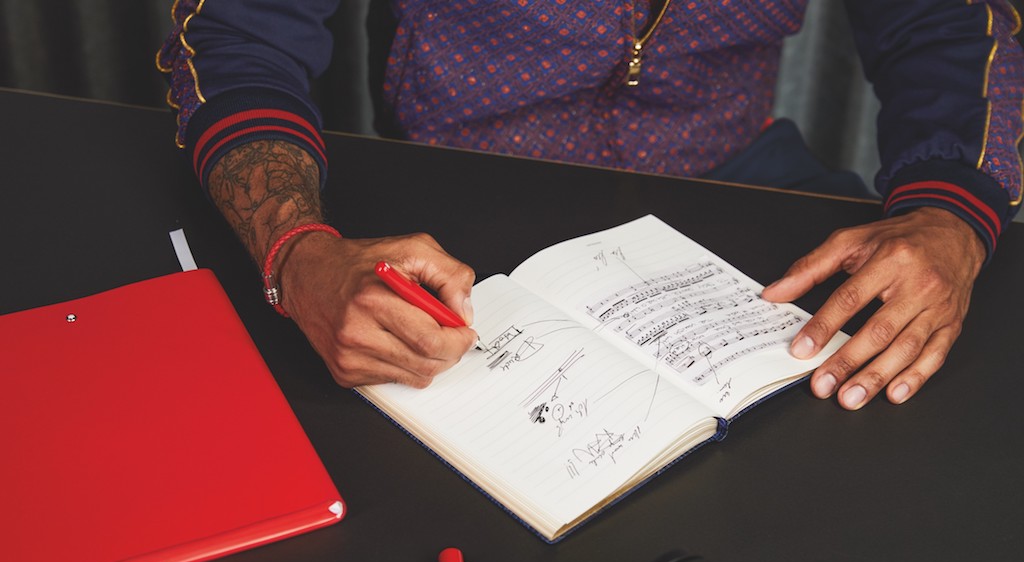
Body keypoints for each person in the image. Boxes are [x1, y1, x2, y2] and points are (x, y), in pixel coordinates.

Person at [157, 0, 1024, 409]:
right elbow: (237, 35)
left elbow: (944, 27)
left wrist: (951, 215)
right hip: (453, 212)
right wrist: (293, 251)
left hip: (732, 179)